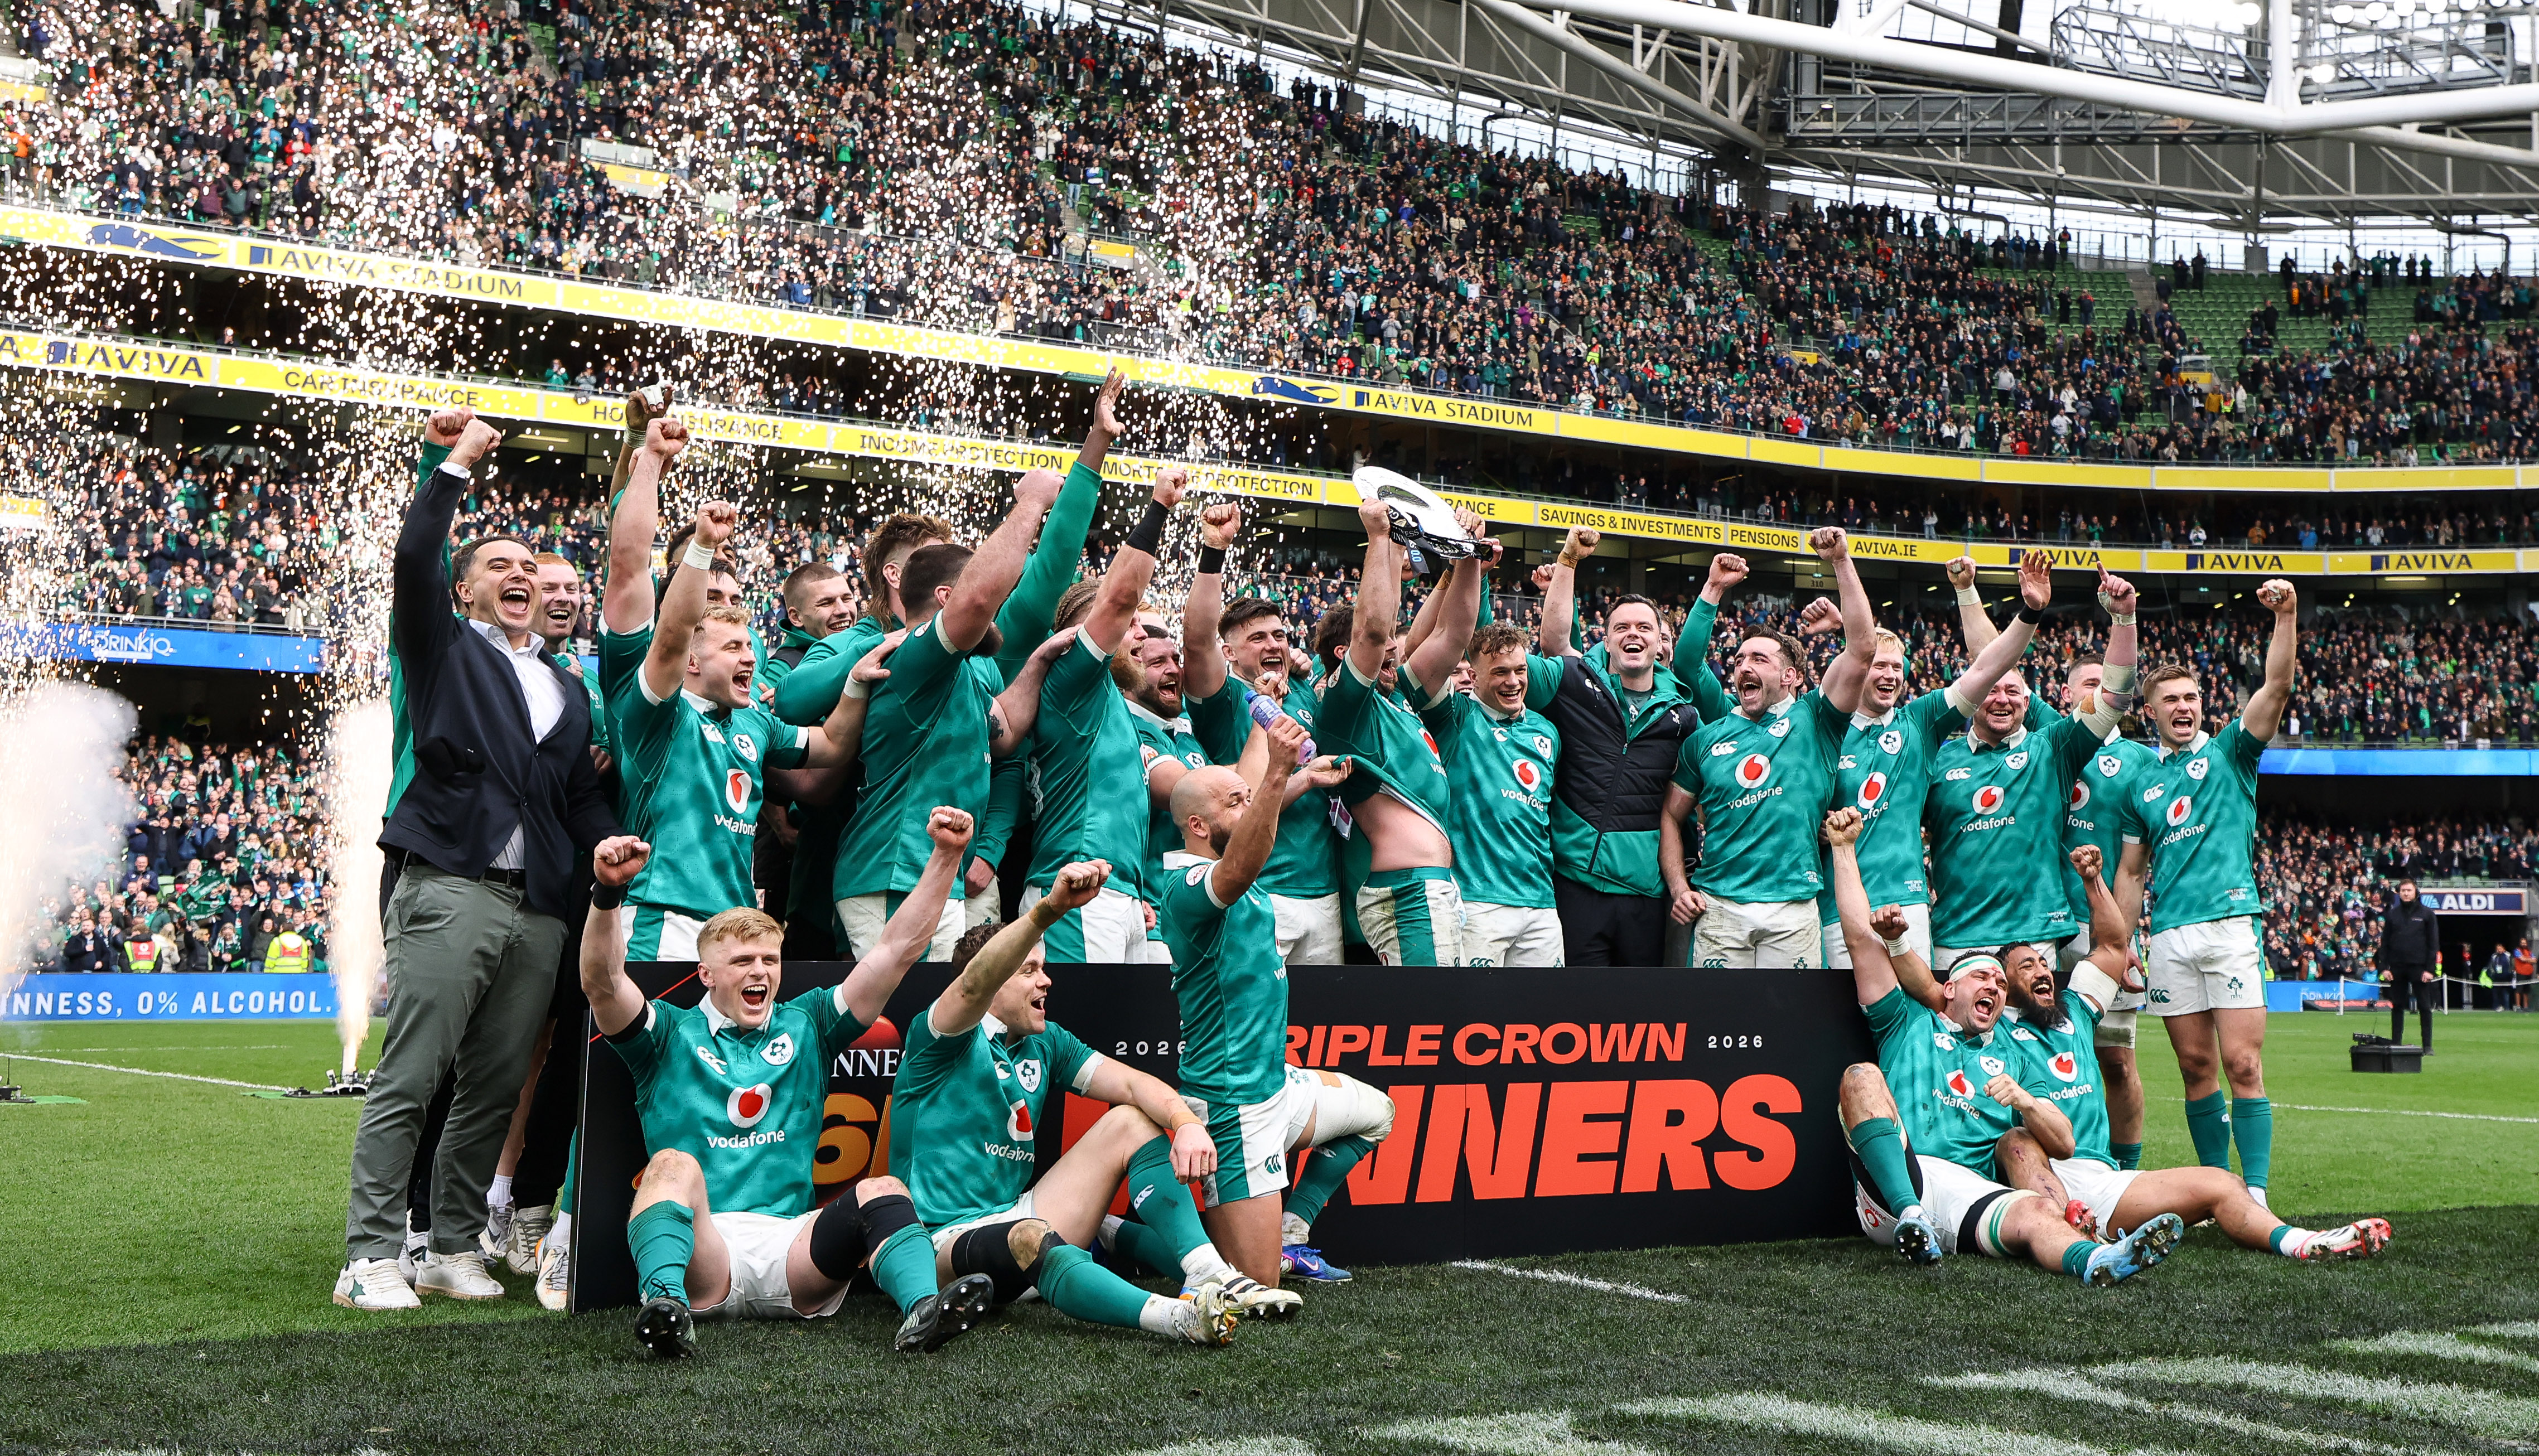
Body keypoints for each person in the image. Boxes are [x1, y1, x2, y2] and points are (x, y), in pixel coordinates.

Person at [336, 408, 619, 1312]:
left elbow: (576, 795)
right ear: (462, 592)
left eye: (530, 568)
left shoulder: (566, 688)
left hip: (538, 903)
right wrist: (452, 464)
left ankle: (453, 1244)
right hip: (451, 880)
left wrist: (606, 838)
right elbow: (416, 557)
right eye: (498, 565)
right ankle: (370, 1254)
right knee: (415, 1072)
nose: (521, 575)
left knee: (495, 1083)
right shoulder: (443, 649)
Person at [578, 809, 981, 1357]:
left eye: (770, 959)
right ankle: (667, 1307)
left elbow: (894, 953)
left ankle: (923, 1311)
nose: (760, 972)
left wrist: (946, 858)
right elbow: (601, 983)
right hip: (705, 1249)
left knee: (883, 1189)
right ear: (707, 973)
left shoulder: (809, 1022)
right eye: (742, 960)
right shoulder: (668, 1031)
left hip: (793, 1251)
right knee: (673, 1165)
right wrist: (606, 893)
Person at [890, 860, 1292, 1344]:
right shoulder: (939, 1038)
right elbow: (972, 986)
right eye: (1029, 970)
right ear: (995, 980)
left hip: (1015, 1211)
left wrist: (1185, 1122)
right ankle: (1176, 1318)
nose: (1046, 982)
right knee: (1034, 1235)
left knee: (1130, 1121)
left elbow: (1133, 1085)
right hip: (940, 1247)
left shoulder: (1046, 1041)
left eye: (1045, 968)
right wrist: (1048, 909)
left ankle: (1211, 1272)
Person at [1822, 807, 2182, 1283]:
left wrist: (2028, 1102)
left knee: (2034, 1207)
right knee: (1860, 1076)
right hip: (1899, 1183)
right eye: (1981, 976)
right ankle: (1911, 1216)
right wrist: (1845, 849)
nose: (1993, 984)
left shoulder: (2016, 1049)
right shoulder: (1905, 1021)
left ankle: (2097, 1259)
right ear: (1948, 989)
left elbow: (2056, 1140)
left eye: (1998, 980)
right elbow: (1860, 941)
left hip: (1968, 1188)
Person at [1987, 846, 2391, 1260]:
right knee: (2017, 1141)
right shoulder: (1990, 1030)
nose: (2041, 971)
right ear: (2002, 984)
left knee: (2223, 1183)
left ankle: (2304, 1242)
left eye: (2042, 963)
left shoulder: (2074, 1009)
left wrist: (2093, 882)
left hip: (2102, 1177)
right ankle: (2075, 1238)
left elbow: (2110, 944)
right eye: (2026, 967)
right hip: (2043, 1178)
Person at [1155, 711, 1392, 1288]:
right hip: (1234, 1107)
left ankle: (1294, 1233)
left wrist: (1270, 739)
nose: (1255, 804)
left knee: (1376, 1113)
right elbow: (1240, 866)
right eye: (1235, 802)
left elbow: (1251, 821)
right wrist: (1281, 769)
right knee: (1256, 1284)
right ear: (1196, 825)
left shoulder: (1239, 859)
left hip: (1277, 1083)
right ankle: (1115, 1234)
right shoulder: (1187, 887)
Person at [609, 498, 871, 960]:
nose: (751, 658)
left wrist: (855, 681)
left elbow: (831, 746)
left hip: (735, 925)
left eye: (749, 647)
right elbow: (672, 632)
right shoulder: (656, 714)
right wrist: (705, 545)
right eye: (734, 647)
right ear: (691, 661)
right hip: (662, 917)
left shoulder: (755, 721)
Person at [2116, 578, 2299, 1206]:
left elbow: (2275, 687)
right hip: (2167, 936)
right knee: (2195, 1070)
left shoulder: (2231, 752)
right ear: (2152, 712)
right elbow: (2132, 874)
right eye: (2170, 700)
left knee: (2242, 1066)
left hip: (2228, 924)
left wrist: (2286, 615)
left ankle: (2256, 1191)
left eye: (2191, 696)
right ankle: (2215, 1189)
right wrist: (2120, 944)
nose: (2184, 706)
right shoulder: (2139, 785)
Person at [830, 471, 1062, 960]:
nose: (994, 610)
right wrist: (1033, 503)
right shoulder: (914, 657)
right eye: (989, 601)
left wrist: (1040, 661)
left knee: (943, 1023)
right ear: (944, 600)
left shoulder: (966, 673)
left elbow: (1004, 733)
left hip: (932, 871)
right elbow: (978, 597)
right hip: (892, 871)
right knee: (900, 1024)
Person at [1807, 552, 2054, 969]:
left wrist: (2030, 611)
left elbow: (1990, 666)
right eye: (1878, 665)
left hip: (1909, 903)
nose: (1890, 675)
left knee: (1917, 1019)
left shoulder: (1920, 721)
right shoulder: (1823, 725)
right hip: (1837, 904)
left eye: (1897, 667)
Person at [1661, 528, 1874, 968]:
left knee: (1790, 1029)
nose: (1743, 666)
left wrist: (1840, 561)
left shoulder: (1817, 718)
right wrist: (1681, 887)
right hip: (1719, 904)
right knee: (1715, 1030)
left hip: (1793, 904)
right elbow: (1671, 813)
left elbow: (1863, 649)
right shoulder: (1709, 733)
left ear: (1792, 676)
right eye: (1738, 660)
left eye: (1759, 659)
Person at [1005, 467, 1193, 961]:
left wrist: (1129, 890)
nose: (1141, 636)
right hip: (1078, 886)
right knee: (1079, 1034)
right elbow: (1120, 594)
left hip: (1114, 893)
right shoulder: (1075, 679)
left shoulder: (1113, 700)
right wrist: (1158, 508)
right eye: (1129, 626)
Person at [1314, 499, 1495, 965]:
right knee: (1429, 1025)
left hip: (1433, 885)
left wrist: (1467, 555)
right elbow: (1372, 633)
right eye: (1385, 650)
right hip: (1409, 889)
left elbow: (1456, 633)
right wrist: (1381, 539)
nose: (1394, 648)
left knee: (1431, 1021)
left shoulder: (1405, 700)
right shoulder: (1347, 709)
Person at [1530, 529, 1723, 966]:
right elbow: (1554, 645)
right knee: (1578, 1014)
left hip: (1645, 893)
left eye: (1643, 627)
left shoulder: (1685, 717)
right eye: (1622, 627)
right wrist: (1569, 561)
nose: (1632, 634)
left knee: (1637, 1017)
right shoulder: (1577, 684)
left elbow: (1704, 793)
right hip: (1575, 883)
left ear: (1659, 641)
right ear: (1607, 639)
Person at [1180, 504, 1347, 964]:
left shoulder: (1306, 697)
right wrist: (1214, 551)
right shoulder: (1225, 698)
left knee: (1323, 1030)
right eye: (1257, 638)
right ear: (1230, 652)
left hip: (1324, 891)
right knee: (1255, 1019)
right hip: (1258, 885)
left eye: (1279, 635)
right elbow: (1196, 640)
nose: (1273, 645)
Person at [1425, 622, 1562, 965]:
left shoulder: (1547, 731)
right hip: (1477, 900)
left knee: (1544, 1016)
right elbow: (1427, 652)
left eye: (1519, 670)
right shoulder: (1455, 717)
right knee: (1477, 1016)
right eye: (1500, 672)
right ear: (1473, 675)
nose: (1513, 682)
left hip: (1541, 901)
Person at [2378, 878, 2440, 1050]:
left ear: (2416, 892)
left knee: (2425, 1007)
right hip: (2397, 967)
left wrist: (2430, 969)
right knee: (2397, 1006)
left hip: (2419, 968)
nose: (2406, 893)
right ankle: (2396, 1043)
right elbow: (2385, 943)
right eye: (2403, 890)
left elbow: (2433, 944)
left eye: (2409, 890)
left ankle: (2427, 1046)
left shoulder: (2427, 914)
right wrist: (2384, 968)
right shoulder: (2392, 914)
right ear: (2399, 893)